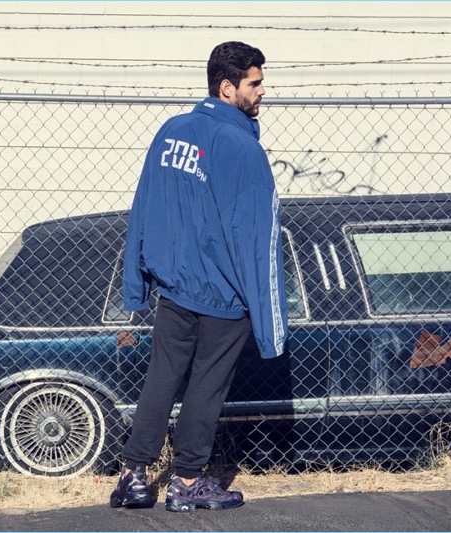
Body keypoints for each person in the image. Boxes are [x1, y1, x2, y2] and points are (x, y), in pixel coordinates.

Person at [109, 41, 288, 513]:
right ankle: (187, 481)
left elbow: (144, 205)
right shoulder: (242, 148)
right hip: (224, 298)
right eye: (255, 82)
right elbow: (258, 239)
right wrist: (270, 324)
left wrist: (138, 281)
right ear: (228, 88)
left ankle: (132, 476)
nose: (263, 90)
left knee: (161, 380)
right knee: (206, 389)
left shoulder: (172, 131)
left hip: (174, 289)